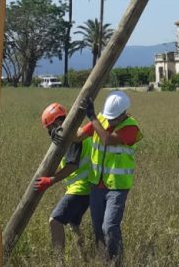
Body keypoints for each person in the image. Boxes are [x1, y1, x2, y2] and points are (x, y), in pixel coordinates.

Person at [78, 91, 142, 265]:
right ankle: (103, 261)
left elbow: (106, 139)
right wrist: (59, 132)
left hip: (117, 187)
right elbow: (78, 136)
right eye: (109, 117)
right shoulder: (101, 120)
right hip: (96, 185)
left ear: (123, 114)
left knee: (110, 227)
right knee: (98, 228)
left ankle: (116, 261)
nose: (110, 121)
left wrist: (92, 118)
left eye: (113, 118)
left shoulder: (131, 127)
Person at [34, 102, 93, 265]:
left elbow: (72, 165)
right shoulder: (75, 133)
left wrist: (50, 181)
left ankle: (59, 263)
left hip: (80, 189)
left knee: (55, 221)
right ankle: (85, 260)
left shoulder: (72, 138)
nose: (49, 132)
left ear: (57, 123)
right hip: (87, 189)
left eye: (49, 128)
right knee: (74, 226)